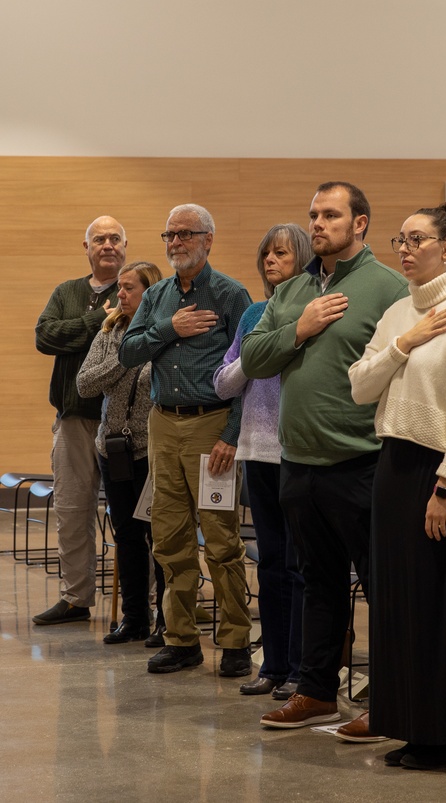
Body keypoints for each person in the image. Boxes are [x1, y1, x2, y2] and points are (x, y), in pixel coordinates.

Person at [242, 182, 408, 729]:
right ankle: (316, 692)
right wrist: (301, 327)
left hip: (362, 462)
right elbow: (255, 358)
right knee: (318, 583)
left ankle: (390, 698)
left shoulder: (388, 287)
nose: (317, 223)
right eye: (313, 214)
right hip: (299, 463)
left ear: (359, 223)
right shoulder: (292, 291)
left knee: (381, 588)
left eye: (330, 214)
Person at [350, 203, 446, 770]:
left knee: (438, 605)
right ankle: (413, 726)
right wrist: (405, 342)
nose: (406, 249)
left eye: (418, 240)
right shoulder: (398, 313)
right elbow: (361, 388)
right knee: (398, 604)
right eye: (401, 240)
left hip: (444, 473)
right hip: (395, 467)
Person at [120, 203, 254, 677]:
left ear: (208, 240)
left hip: (210, 427)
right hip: (162, 425)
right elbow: (127, 350)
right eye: (169, 235)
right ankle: (181, 640)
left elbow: (250, 371)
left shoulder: (231, 295)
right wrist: (168, 328)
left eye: (185, 234)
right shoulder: (155, 296)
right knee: (169, 536)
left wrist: (232, 435)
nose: (175, 242)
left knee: (220, 539)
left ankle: (236, 640)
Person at [214, 223, 310, 698]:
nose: (271, 262)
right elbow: (224, 381)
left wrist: (252, 362)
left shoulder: (312, 311)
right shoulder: (254, 312)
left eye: (282, 254)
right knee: (269, 564)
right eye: (266, 254)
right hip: (255, 449)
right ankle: (271, 664)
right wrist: (251, 361)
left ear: (304, 259)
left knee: (297, 565)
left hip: (296, 451)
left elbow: (269, 366)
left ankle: (298, 669)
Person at [33, 216, 125, 626]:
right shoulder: (66, 292)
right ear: (85, 247)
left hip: (124, 425)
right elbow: (44, 337)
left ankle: (150, 604)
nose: (107, 244)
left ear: (125, 246)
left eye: (115, 239)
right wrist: (96, 322)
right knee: (72, 511)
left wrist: (81, 332)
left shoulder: (139, 288)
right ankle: (76, 598)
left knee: (132, 516)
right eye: (99, 239)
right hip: (72, 421)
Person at [77, 261, 168, 645]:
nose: (120, 296)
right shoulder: (110, 332)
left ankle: (169, 621)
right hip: (112, 450)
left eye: (129, 288)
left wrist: (124, 365)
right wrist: (126, 358)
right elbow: (84, 384)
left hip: (152, 452)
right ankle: (134, 619)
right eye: (120, 289)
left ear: (151, 293)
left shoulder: (165, 335)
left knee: (162, 540)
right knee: (127, 537)